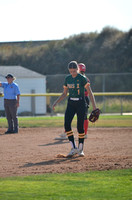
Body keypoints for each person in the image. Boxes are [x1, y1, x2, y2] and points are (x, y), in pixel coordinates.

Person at [52, 61, 97, 157]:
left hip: (81, 103)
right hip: (71, 103)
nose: (73, 73)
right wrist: (56, 102)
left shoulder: (82, 78)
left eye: (74, 71)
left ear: (78, 69)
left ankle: (81, 149)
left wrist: (94, 107)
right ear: (69, 70)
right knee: (67, 125)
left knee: (80, 127)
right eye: (71, 71)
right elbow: (64, 93)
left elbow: (90, 92)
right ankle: (73, 148)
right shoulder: (67, 78)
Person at [78, 63, 90, 139]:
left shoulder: (79, 78)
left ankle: (66, 132)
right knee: (84, 116)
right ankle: (85, 133)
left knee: (83, 117)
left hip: (82, 98)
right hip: (86, 98)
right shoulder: (87, 78)